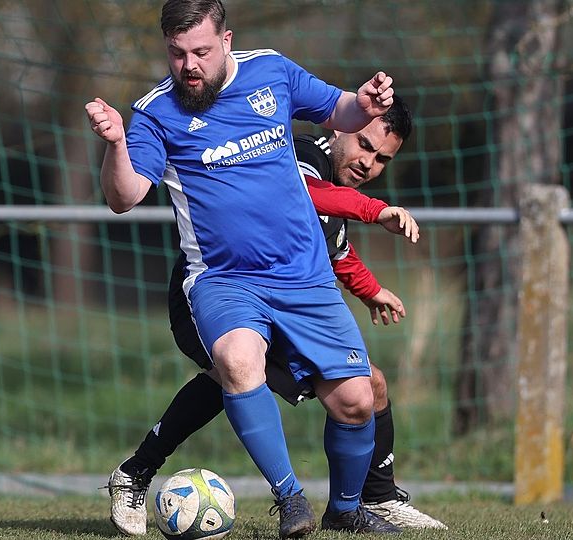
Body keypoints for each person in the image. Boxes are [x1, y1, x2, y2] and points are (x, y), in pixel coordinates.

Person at [86, 0, 401, 536]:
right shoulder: (156, 113)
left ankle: (347, 508)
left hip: (303, 277)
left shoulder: (271, 71)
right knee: (235, 361)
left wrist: (365, 104)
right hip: (224, 280)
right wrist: (117, 143)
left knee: (356, 399)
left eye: (201, 52)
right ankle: (290, 499)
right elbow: (124, 196)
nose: (189, 66)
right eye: (177, 53)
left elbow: (341, 111)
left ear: (226, 41)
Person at [107, 96, 447, 536]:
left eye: (382, 159)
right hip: (215, 288)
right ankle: (144, 475)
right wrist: (374, 209)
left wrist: (371, 291)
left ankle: (372, 500)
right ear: (341, 127)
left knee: (365, 386)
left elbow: (336, 248)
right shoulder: (303, 154)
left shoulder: (338, 184)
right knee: (237, 367)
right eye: (364, 145)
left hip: (283, 297)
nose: (368, 162)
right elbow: (304, 191)